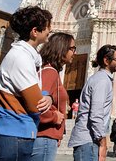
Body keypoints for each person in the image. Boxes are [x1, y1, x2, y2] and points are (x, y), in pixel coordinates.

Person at [0, 6, 54, 161]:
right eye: (48, 26)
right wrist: (54, 114)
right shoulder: (20, 58)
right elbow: (36, 105)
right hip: (12, 137)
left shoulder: (27, 57)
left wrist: (49, 97)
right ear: (35, 31)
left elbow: (36, 96)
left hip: (19, 135)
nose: (51, 29)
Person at [68, 44, 116, 161]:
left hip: (89, 139)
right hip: (89, 140)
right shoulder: (102, 80)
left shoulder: (100, 78)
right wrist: (102, 142)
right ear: (106, 60)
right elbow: (96, 113)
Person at [32, 32, 76, 161]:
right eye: (72, 48)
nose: (74, 52)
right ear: (61, 48)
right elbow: (37, 103)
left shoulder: (48, 70)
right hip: (45, 136)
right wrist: (54, 117)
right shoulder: (50, 72)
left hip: (46, 136)